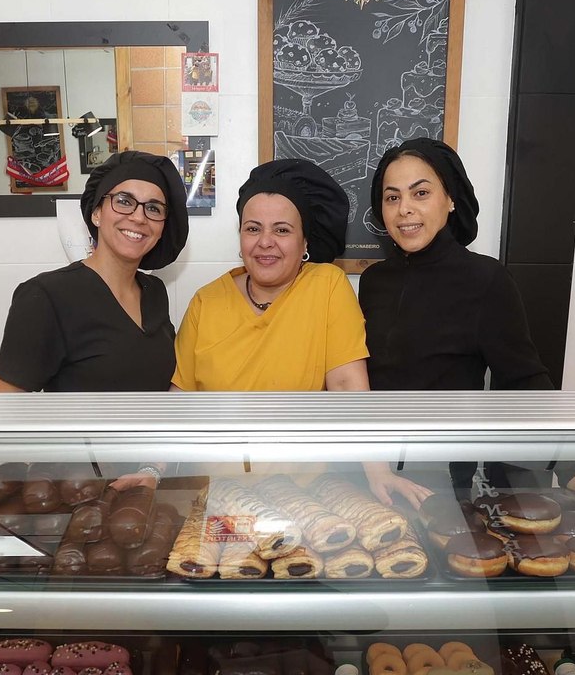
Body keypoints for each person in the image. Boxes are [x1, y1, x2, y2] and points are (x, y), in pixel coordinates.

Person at [361, 137, 575, 503]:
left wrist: (572, 466)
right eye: (392, 197)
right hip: (367, 467)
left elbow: (524, 378)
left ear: (451, 199)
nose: (404, 209)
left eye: (421, 193)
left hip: (440, 477)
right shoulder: (373, 281)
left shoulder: (485, 279)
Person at [170, 157, 426, 506]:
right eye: (253, 228)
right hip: (218, 496)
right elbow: (177, 403)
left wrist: (377, 470)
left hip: (304, 496)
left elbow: (347, 385)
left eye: (282, 230)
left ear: (306, 243)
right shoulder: (206, 301)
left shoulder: (327, 287)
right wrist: (151, 470)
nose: (265, 242)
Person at [0, 151, 188, 392]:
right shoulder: (46, 297)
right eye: (124, 201)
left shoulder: (154, 292)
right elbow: (7, 408)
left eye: (154, 209)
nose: (139, 217)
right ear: (96, 213)